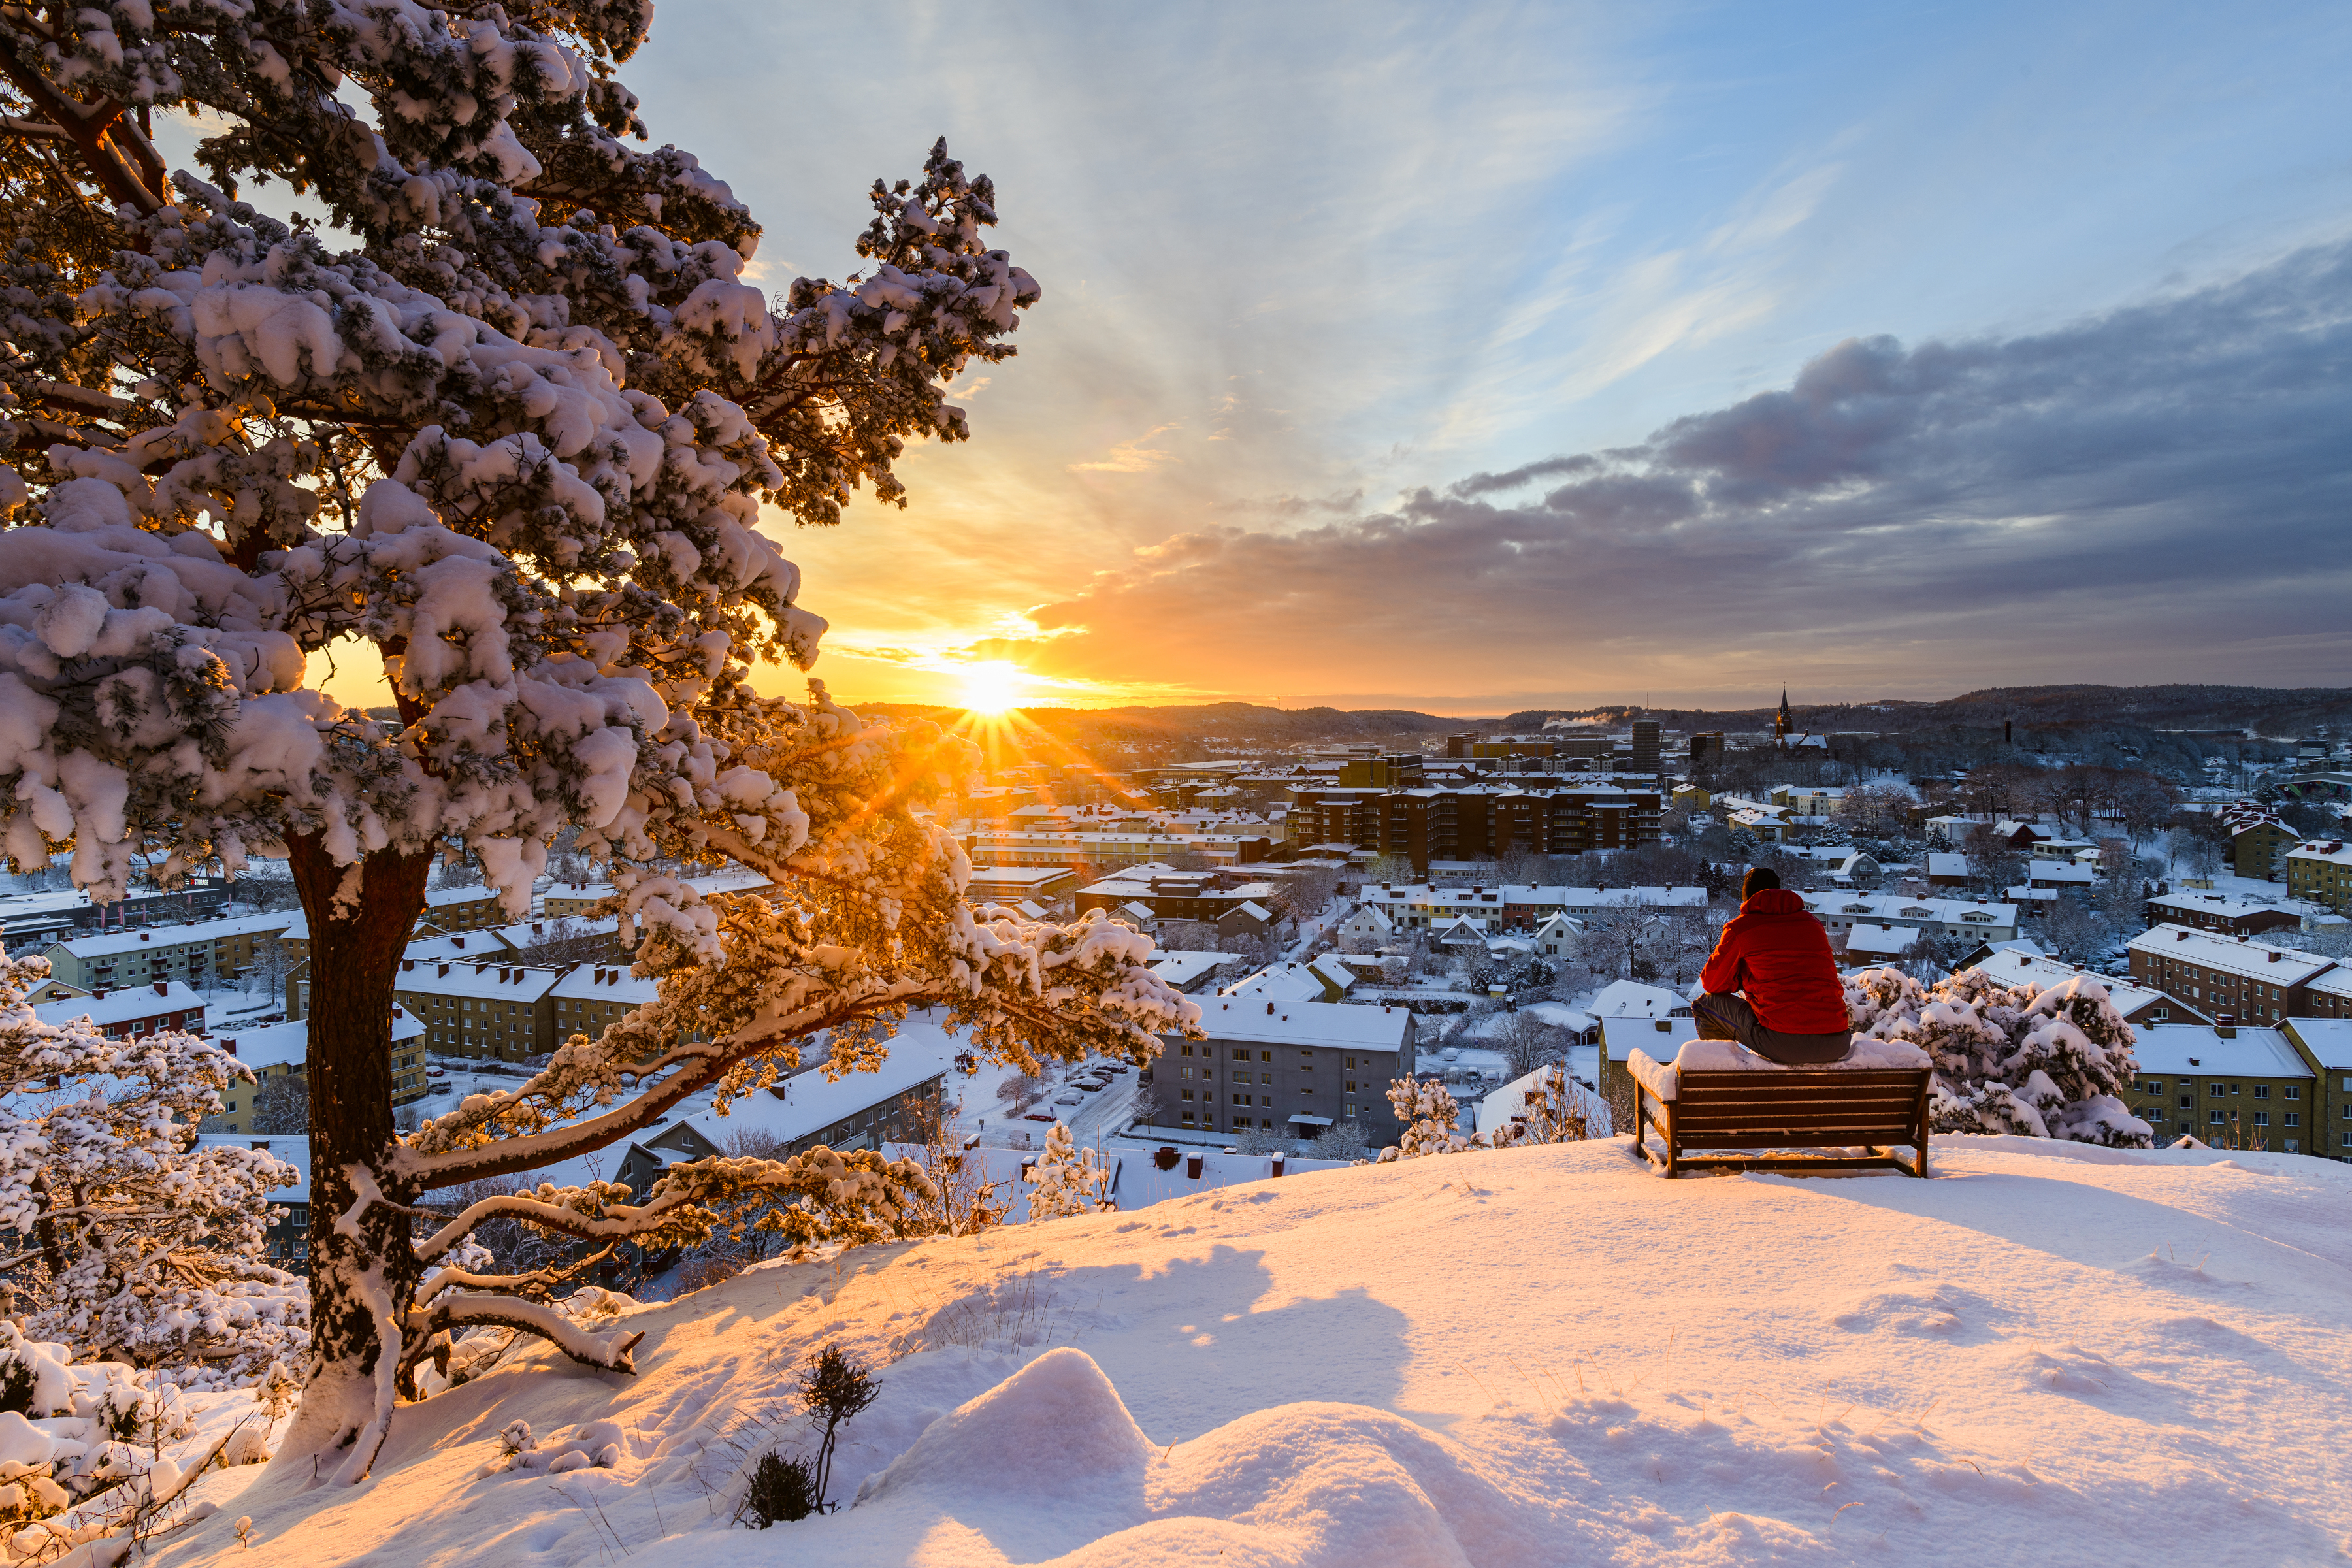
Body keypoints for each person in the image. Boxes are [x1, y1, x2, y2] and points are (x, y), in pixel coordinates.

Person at [1693, 868, 1853, 1064]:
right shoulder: (1813, 925)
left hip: (1785, 1043)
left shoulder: (1741, 928)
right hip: (1838, 1040)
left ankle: (1722, 1077)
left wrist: (1739, 981)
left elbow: (1712, 983)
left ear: (1747, 897)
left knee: (1705, 1004)